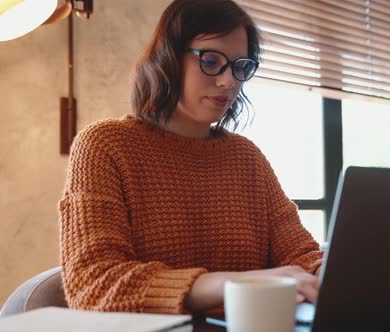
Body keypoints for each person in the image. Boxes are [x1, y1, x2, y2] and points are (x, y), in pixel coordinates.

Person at [58, 0, 323, 315]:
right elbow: (93, 283)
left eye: (241, 66)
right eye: (211, 61)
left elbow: (302, 256)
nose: (229, 82)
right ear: (168, 58)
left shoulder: (246, 159)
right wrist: (234, 285)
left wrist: (330, 275)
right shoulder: (105, 146)